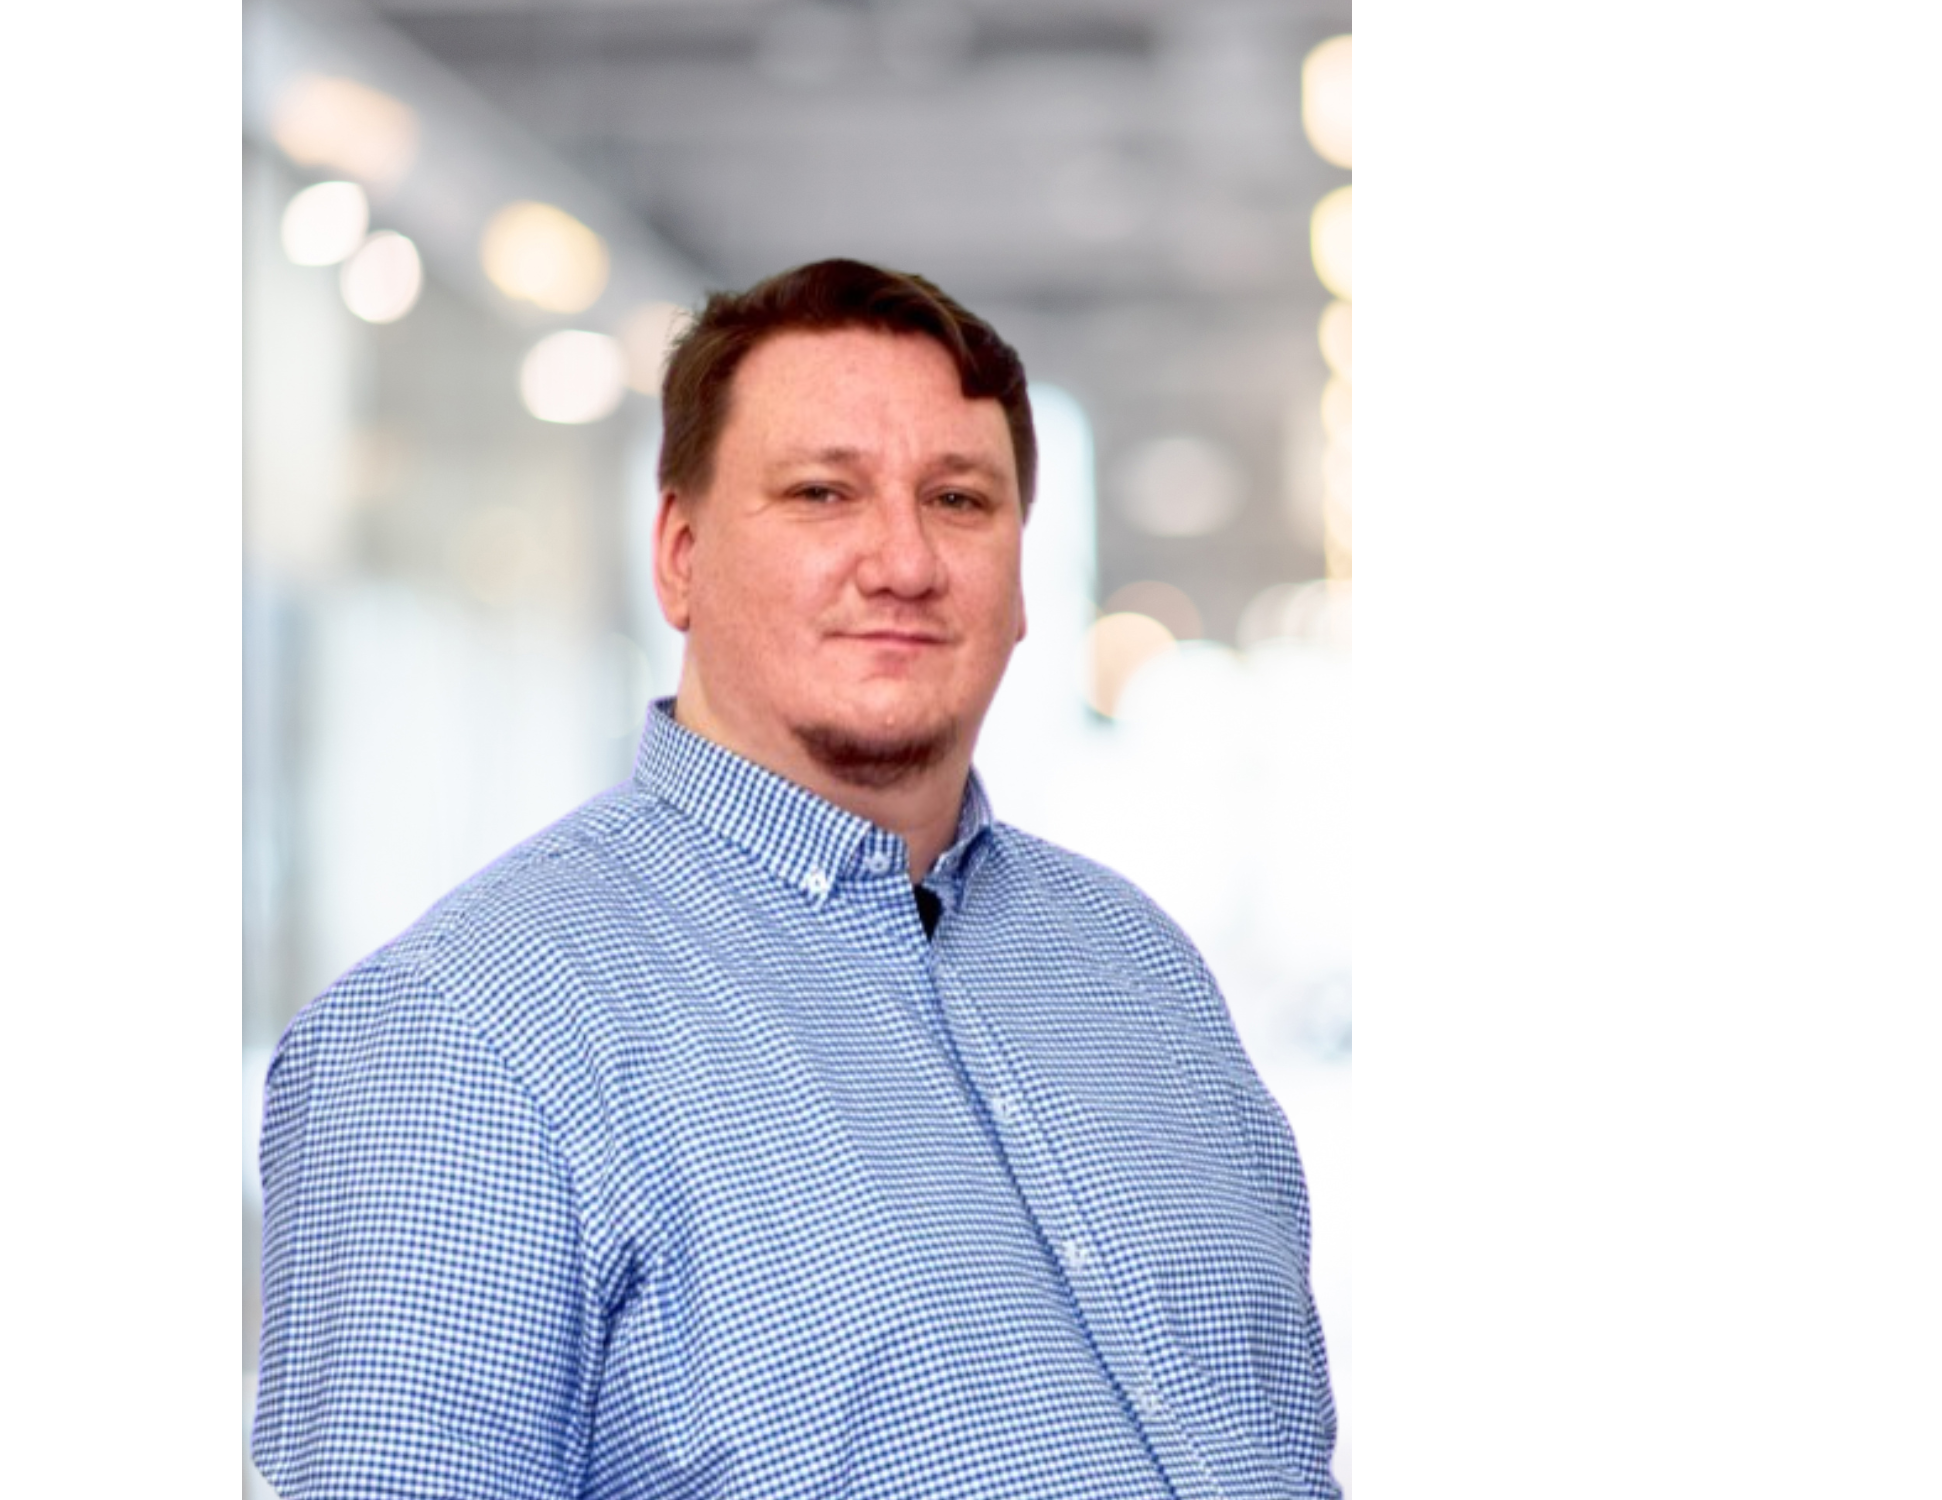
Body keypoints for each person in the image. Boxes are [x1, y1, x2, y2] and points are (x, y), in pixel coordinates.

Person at [249, 259, 1337, 1499]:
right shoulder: (460, 1037)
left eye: (958, 500)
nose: (902, 561)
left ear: (1020, 578)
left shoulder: (1136, 969)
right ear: (678, 556)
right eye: (822, 493)